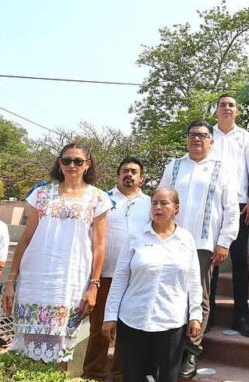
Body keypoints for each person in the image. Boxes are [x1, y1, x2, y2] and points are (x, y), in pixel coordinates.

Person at [1, 143, 112, 364]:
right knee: (28, 354)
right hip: (35, 283)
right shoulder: (41, 194)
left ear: (87, 165)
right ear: (59, 164)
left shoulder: (98, 198)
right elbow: (25, 239)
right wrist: (11, 280)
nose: (72, 165)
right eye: (67, 160)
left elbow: (99, 245)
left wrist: (94, 285)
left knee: (61, 354)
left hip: (70, 284)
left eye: (78, 161)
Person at [158, 119, 239, 379]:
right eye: (193, 134)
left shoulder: (222, 169)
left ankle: (190, 352)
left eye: (203, 135)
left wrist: (225, 240)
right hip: (170, 241)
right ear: (187, 139)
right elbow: (160, 200)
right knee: (169, 293)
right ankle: (166, 349)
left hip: (203, 244)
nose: (197, 139)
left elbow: (230, 208)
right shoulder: (174, 166)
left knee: (198, 297)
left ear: (211, 141)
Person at [103, 188, 202, 382]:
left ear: (176, 208)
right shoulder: (136, 236)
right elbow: (120, 278)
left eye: (164, 203)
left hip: (171, 322)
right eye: (154, 202)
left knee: (167, 377)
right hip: (133, 319)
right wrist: (110, 315)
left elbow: (194, 281)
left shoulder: (186, 240)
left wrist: (195, 316)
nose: (158, 207)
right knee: (133, 376)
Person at [83, 157, 151, 382]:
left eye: (134, 171)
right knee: (99, 327)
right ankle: (94, 373)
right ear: (117, 175)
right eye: (125, 171)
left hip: (136, 277)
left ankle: (122, 374)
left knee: (129, 331)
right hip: (106, 274)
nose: (129, 175)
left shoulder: (150, 203)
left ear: (141, 177)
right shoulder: (103, 199)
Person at [209, 94, 249, 338]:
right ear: (216, 110)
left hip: (240, 204)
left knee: (240, 259)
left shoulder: (246, 136)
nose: (227, 108)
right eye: (223, 105)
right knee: (210, 259)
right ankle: (205, 314)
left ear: (237, 111)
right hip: (211, 203)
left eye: (231, 105)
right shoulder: (207, 134)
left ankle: (241, 316)